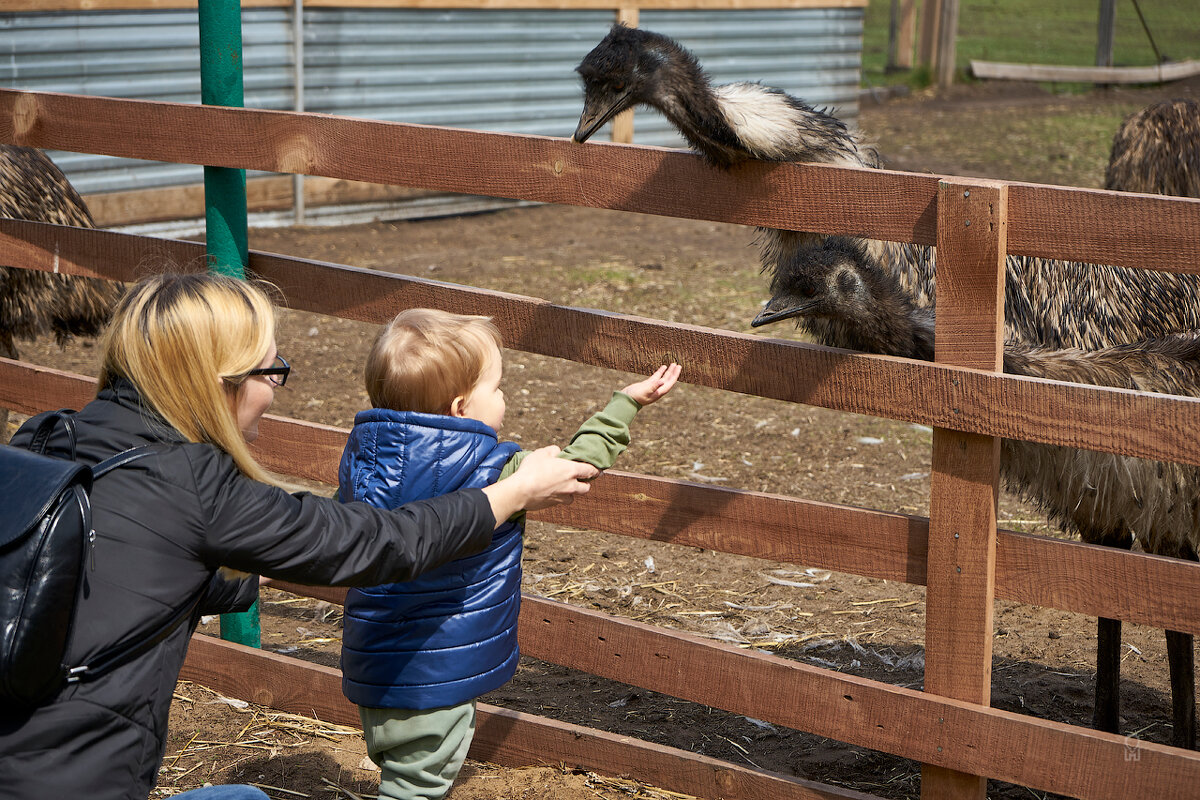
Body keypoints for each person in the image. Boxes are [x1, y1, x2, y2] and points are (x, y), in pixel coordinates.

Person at [0, 273, 597, 800]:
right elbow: (374, 546)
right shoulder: (192, 483)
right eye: (269, 370)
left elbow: (149, 571)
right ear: (217, 380)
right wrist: (512, 494)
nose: (275, 386)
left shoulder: (45, 440)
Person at [338, 308, 681, 800]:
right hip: (437, 671)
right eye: (496, 388)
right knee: (415, 788)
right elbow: (578, 467)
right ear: (461, 407)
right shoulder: (496, 469)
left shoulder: (364, 463)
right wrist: (625, 404)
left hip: (372, 663)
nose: (504, 397)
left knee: (402, 773)